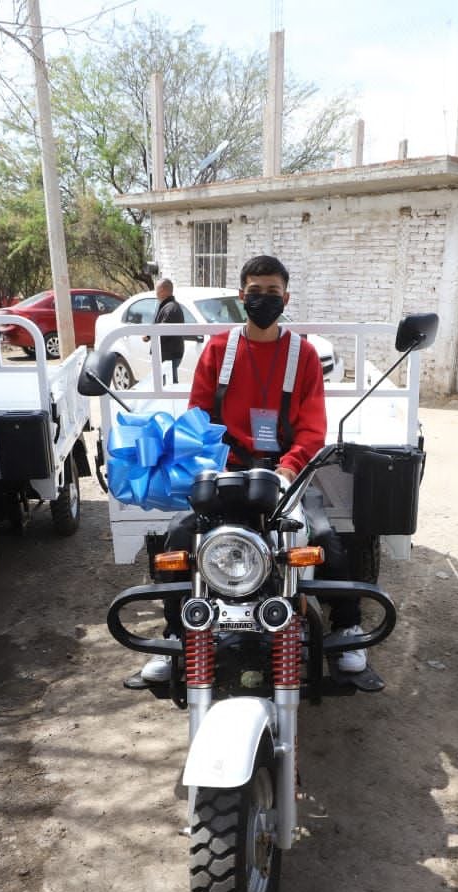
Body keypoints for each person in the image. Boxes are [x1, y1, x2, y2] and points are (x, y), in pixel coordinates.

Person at [139, 254, 364, 683]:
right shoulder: (219, 350)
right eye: (255, 293)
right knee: (180, 539)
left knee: (323, 539)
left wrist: (287, 470)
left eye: (272, 293)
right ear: (242, 296)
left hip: (284, 475)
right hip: (226, 471)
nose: (263, 300)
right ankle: (174, 637)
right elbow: (197, 419)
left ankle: (346, 630)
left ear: (286, 297)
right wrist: (210, 466)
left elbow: (313, 428)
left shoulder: (304, 356)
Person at [150, 278, 189, 381]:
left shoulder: (171, 308)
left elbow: (163, 331)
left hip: (169, 355)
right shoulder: (167, 306)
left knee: (169, 386)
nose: (156, 293)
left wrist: (149, 335)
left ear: (163, 290)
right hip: (167, 354)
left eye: (157, 290)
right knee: (166, 384)